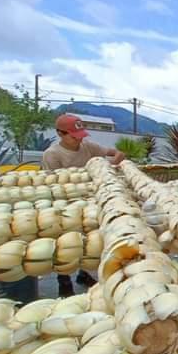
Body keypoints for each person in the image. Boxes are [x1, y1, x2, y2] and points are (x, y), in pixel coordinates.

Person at [42, 113, 125, 297]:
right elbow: (55, 184)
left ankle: (83, 274)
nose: (78, 140)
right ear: (60, 134)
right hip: (66, 204)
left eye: (80, 136)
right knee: (66, 244)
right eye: (74, 136)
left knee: (89, 240)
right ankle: (64, 283)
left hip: (90, 201)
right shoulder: (52, 154)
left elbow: (116, 153)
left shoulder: (88, 146)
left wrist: (111, 164)